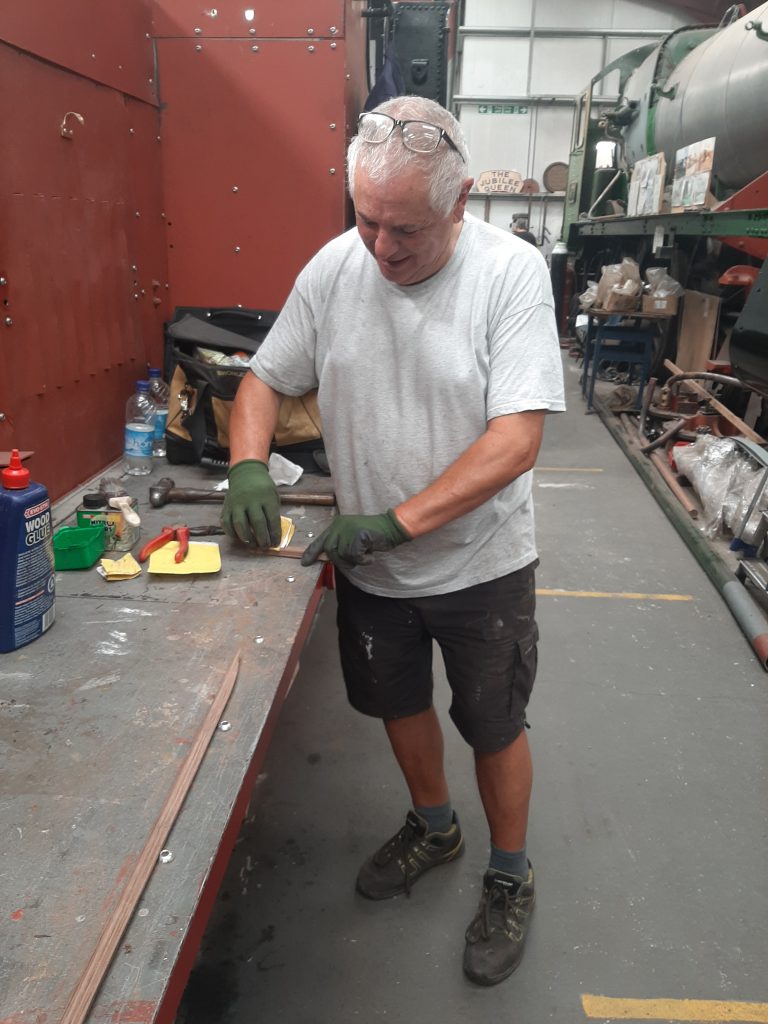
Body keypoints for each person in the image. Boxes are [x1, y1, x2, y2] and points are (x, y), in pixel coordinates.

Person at [222, 96, 565, 986]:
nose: (381, 248)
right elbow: (262, 380)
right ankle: (435, 826)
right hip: (375, 568)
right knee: (396, 702)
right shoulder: (337, 268)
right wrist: (248, 466)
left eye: (404, 229)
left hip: (481, 562)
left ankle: (510, 874)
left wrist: (395, 520)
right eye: (366, 219)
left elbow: (516, 438)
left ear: (459, 208)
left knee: (494, 722)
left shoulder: (511, 274)